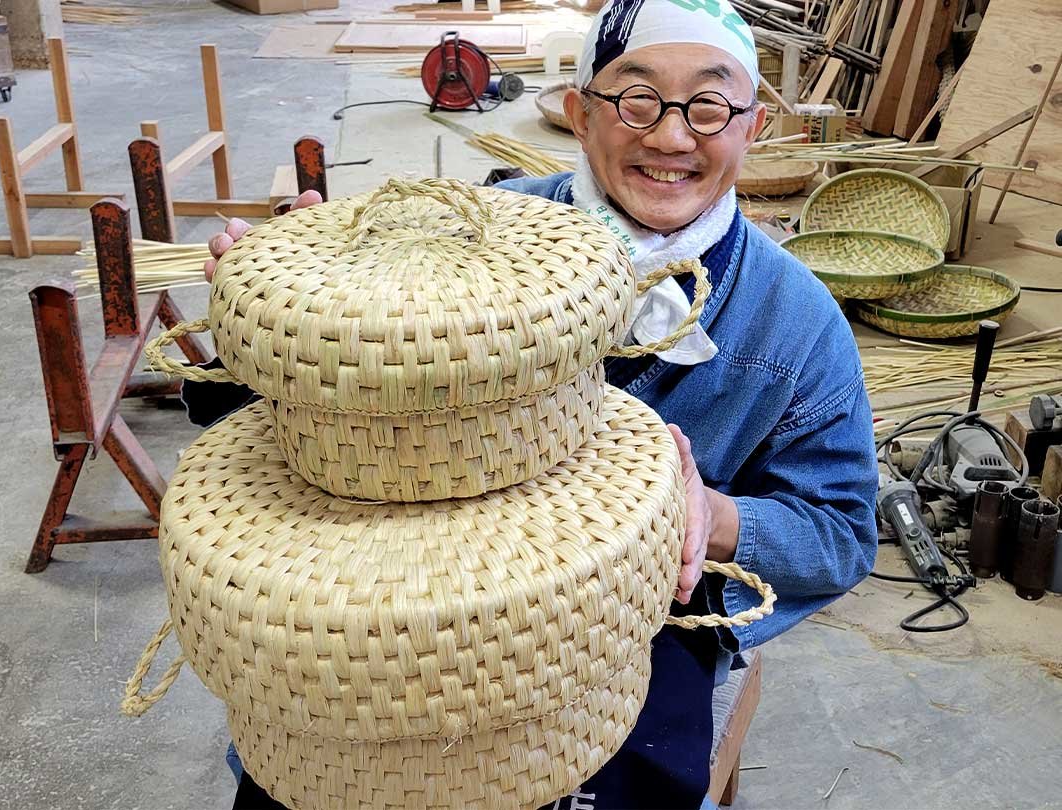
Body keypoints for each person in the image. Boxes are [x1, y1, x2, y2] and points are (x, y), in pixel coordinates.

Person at [191, 1, 878, 806]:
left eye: (709, 104)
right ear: (582, 116)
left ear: (752, 126)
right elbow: (249, 411)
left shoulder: (792, 321)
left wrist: (711, 516)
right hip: (391, 592)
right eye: (638, 98)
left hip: (633, 625)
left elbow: (840, 534)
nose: (669, 137)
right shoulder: (480, 230)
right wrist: (294, 311)